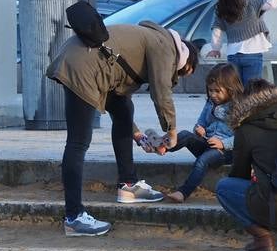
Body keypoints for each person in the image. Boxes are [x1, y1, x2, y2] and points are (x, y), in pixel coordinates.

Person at [48, 15, 201, 236]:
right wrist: (172, 131)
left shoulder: (153, 37)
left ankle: (128, 185)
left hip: (80, 58)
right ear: (186, 61)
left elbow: (118, 96)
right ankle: (74, 217)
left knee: (123, 110)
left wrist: (138, 135)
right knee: (78, 142)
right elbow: (161, 93)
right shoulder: (165, 47)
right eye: (183, 73)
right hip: (83, 67)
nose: (177, 77)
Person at [212, 82, 277, 251]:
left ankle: (262, 239)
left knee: (224, 187)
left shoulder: (246, 129)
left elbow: (239, 174)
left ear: (246, 102)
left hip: (276, 205)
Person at [163, 63, 242, 203]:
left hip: (225, 152)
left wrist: (223, 143)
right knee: (186, 135)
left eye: (217, 91)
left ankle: (183, 192)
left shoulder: (239, 107)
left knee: (203, 160)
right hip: (207, 141)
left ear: (230, 89)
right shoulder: (210, 103)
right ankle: (163, 146)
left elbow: (242, 136)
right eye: (210, 90)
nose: (213, 94)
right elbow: (201, 122)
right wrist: (200, 129)